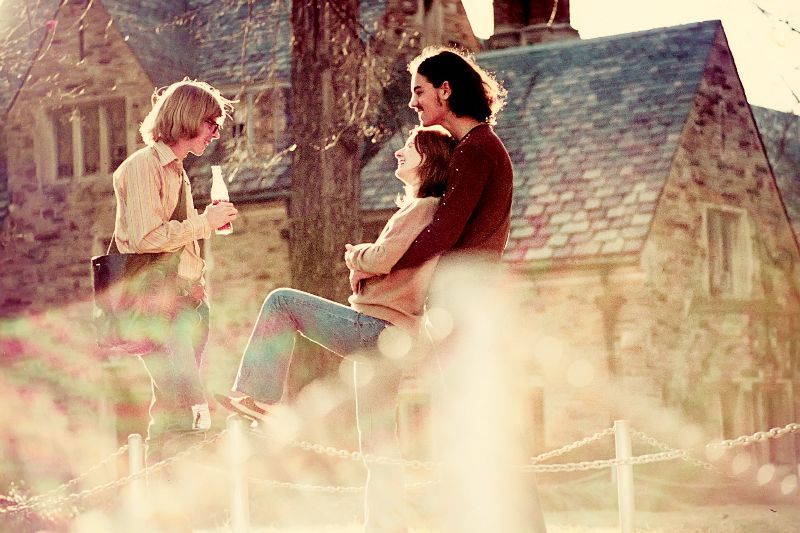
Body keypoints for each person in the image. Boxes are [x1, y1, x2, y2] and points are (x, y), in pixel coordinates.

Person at [218, 126, 456, 533]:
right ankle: (385, 523)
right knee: (378, 441)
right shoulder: (427, 209)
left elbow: (382, 258)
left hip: (376, 327)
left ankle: (261, 397)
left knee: (282, 302)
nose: (398, 152)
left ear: (428, 161)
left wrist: (355, 256)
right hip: (391, 335)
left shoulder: (420, 208)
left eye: (409, 148)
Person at [112, 79, 238, 463]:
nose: (216, 133)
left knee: (173, 410)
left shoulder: (176, 171)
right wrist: (204, 223)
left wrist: (205, 225)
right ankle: (175, 489)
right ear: (188, 118)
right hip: (159, 308)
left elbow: (177, 240)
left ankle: (158, 490)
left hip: (188, 304)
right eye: (211, 124)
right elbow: (146, 237)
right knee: (187, 409)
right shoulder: (143, 166)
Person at [350, 46, 510, 298]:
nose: (412, 103)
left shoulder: (475, 149)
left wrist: (376, 269)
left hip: (463, 294)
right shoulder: (475, 144)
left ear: (445, 90)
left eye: (419, 92)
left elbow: (441, 233)